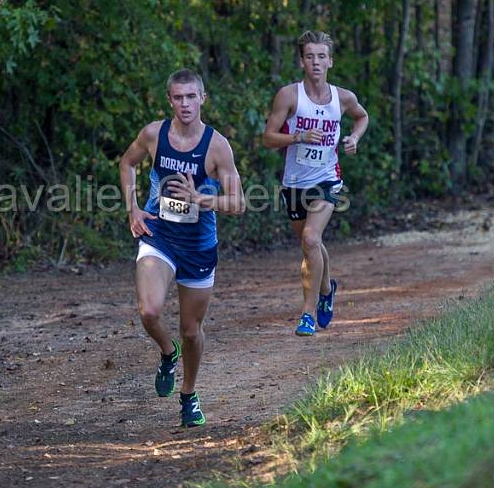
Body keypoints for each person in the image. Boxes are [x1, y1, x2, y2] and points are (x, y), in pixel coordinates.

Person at [119, 69, 245, 427]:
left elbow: (238, 203)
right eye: (178, 97)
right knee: (149, 310)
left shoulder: (217, 146)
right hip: (159, 235)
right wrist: (133, 208)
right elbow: (127, 163)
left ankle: (188, 395)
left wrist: (200, 199)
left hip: (198, 247)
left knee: (191, 330)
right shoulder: (154, 135)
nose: (185, 104)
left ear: (202, 98)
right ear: (169, 100)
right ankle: (166, 352)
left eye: (192, 97)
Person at [262, 30, 369, 336]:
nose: (316, 62)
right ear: (302, 62)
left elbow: (362, 118)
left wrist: (353, 138)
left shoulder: (343, 97)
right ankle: (326, 287)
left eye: (322, 56)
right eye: (310, 56)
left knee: (311, 238)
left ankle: (307, 314)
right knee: (311, 244)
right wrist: (297, 136)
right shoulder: (288, 95)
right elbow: (268, 138)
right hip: (294, 183)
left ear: (330, 61)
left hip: (327, 179)